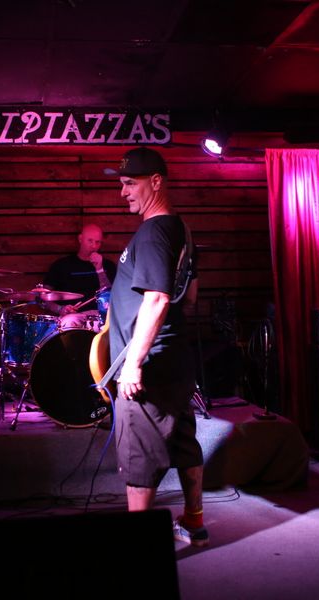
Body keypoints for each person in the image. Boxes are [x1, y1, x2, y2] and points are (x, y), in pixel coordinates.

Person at [106, 147, 206, 547]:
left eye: (130, 183)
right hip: (175, 358)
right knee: (184, 444)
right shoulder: (181, 230)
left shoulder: (152, 232)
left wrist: (133, 363)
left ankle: (139, 548)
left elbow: (158, 298)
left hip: (149, 364)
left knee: (139, 459)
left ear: (157, 181)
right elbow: (190, 296)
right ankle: (195, 523)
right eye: (122, 184)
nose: (123, 192)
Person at [43, 223, 117, 329]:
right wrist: (60, 309)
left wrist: (100, 269)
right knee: (69, 322)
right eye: (90, 241)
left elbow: (110, 295)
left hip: (101, 315)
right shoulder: (62, 265)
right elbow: (44, 297)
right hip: (74, 316)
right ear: (80, 239)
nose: (94, 246)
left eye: (98, 242)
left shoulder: (108, 266)